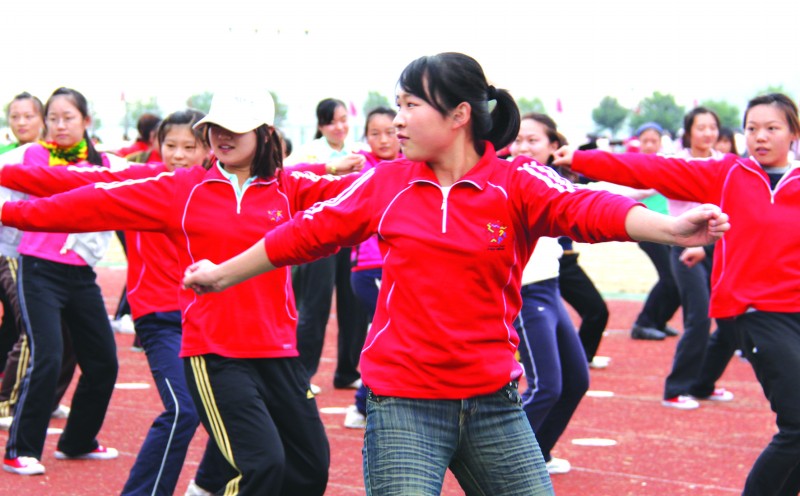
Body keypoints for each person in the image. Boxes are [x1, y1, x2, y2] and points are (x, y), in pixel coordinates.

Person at [182, 52, 730, 496]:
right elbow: (303, 233)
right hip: (402, 404)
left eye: (410, 105)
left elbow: (588, 208)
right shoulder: (386, 183)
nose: (396, 119)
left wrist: (671, 229)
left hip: (493, 401)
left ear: (459, 114)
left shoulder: (516, 183)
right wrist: (222, 275)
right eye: (397, 105)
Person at [0, 89, 356, 494]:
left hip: (278, 351)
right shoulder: (181, 188)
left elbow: (365, 194)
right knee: (258, 464)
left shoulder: (290, 188)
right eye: (216, 127)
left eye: (235, 129)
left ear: (265, 133)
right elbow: (90, 200)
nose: (222, 136)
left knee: (310, 467)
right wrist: (9, 212)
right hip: (213, 350)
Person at [553, 92, 800, 496]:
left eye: (772, 128)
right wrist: (582, 160)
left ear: (793, 133)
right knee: (797, 424)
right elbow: (654, 168)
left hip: (796, 310)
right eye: (752, 128)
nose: (760, 136)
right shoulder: (729, 173)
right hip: (754, 312)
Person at [2, 87, 120, 476]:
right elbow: (60, 184)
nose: (59, 125)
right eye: (53, 118)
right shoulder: (37, 156)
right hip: (38, 271)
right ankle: (20, 449)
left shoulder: (103, 161)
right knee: (48, 357)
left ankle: (77, 441)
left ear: (86, 121)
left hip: (80, 274)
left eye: (68, 118)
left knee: (103, 361)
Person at [507, 112, 588, 475]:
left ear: (554, 145)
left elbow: (599, 197)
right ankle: (500, 459)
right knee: (546, 387)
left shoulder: (557, 182)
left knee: (577, 381)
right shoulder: (507, 180)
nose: (523, 147)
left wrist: (651, 182)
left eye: (533, 140)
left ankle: (538, 452)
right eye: (518, 140)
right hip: (526, 293)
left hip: (550, 290)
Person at [0, 92, 75, 428]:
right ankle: (7, 403)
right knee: (34, 331)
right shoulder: (10, 159)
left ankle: (46, 398)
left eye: (28, 116)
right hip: (12, 254)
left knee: (68, 331)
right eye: (15, 117)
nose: (21, 123)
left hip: (51, 259)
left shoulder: (58, 156)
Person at [285, 98, 368, 393]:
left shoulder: (359, 152)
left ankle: (347, 371)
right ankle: (302, 376)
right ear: (321, 126)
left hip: (352, 236)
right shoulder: (309, 153)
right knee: (315, 306)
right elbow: (287, 176)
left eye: (344, 119)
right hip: (318, 236)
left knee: (353, 306)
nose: (339, 127)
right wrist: (331, 168)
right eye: (332, 122)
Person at [343, 106, 401, 429]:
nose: (384, 140)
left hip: (399, 265)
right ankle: (362, 404)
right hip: (369, 269)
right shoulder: (362, 168)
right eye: (375, 133)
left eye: (390, 132)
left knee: (392, 331)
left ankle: (375, 401)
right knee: (386, 331)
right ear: (366, 137)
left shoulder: (412, 165)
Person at [628, 122, 682, 340]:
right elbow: (628, 193)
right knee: (670, 278)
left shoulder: (666, 164)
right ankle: (643, 323)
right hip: (646, 228)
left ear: (661, 142)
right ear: (639, 143)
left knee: (678, 279)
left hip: (669, 227)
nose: (650, 145)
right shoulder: (632, 166)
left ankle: (659, 321)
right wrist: (656, 186)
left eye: (654, 141)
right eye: (645, 141)